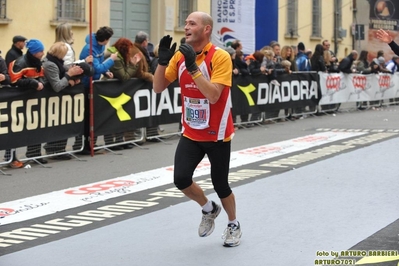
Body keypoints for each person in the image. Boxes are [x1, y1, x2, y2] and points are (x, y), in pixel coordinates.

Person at [152, 11, 242, 247]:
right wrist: (162, 62)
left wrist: (193, 67)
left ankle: (233, 223)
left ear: (206, 29)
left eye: (192, 23)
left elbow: (213, 96)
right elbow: (158, 87)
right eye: (185, 23)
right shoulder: (180, 57)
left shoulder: (220, 57)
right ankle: (208, 208)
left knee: (221, 184)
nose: (186, 27)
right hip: (191, 131)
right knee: (181, 179)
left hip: (217, 134)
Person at [74, 26, 117, 155]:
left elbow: (100, 64)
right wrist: (111, 60)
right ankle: (83, 144)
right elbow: (96, 68)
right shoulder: (89, 49)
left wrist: (106, 70)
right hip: (86, 85)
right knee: (87, 116)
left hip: (95, 83)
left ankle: (91, 143)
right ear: (105, 39)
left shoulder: (101, 47)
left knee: (94, 115)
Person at [103, 37, 151, 150]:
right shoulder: (115, 58)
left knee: (121, 116)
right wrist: (133, 64)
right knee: (110, 117)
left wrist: (131, 64)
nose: (130, 51)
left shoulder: (121, 56)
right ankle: (110, 142)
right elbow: (124, 76)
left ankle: (119, 141)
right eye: (129, 49)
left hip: (119, 90)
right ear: (124, 48)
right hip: (110, 90)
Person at [42, 42, 84, 159]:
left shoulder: (57, 62)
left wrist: (73, 76)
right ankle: (53, 149)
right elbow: (57, 86)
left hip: (58, 99)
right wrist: (69, 75)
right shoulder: (50, 64)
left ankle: (59, 149)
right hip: (52, 98)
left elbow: (64, 73)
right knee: (56, 125)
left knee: (61, 124)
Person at [9, 39, 48, 164]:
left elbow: (41, 76)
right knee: (15, 129)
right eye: (40, 51)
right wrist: (33, 83)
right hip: (18, 101)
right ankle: (11, 157)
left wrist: (41, 82)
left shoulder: (38, 62)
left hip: (33, 100)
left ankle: (34, 153)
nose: (43, 53)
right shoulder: (20, 63)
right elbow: (14, 81)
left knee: (36, 126)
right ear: (34, 52)